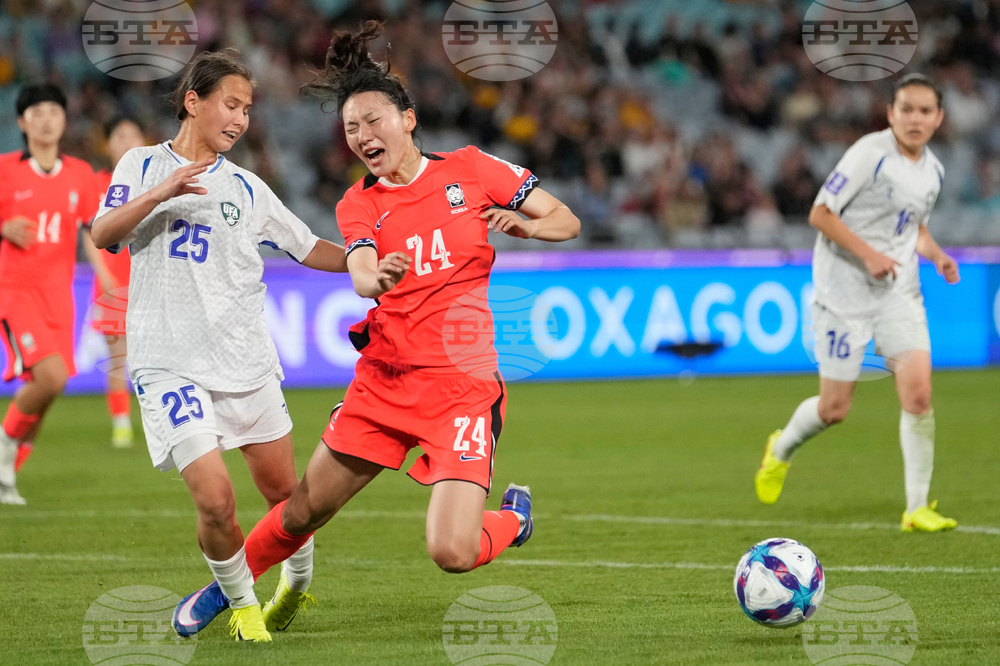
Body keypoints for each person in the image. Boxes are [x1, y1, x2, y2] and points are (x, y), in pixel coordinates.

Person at [175, 20, 580, 635]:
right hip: (384, 384)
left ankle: (513, 522)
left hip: (461, 388)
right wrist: (376, 275)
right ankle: (224, 591)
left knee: (452, 552)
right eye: (351, 129)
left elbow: (565, 220)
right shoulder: (359, 201)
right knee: (302, 510)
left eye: (373, 121)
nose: (363, 136)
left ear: (408, 119)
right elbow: (361, 271)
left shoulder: (472, 171)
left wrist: (524, 224)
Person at [90, 49, 349, 642]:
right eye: (230, 105)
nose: (240, 119)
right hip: (167, 364)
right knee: (215, 499)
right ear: (192, 101)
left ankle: (297, 585)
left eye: (247, 109)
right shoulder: (140, 163)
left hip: (244, 360)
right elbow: (104, 235)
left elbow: (309, 247)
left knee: (289, 496)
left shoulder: (247, 188)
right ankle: (243, 607)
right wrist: (162, 192)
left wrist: (368, 264)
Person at [755, 74, 959, 533]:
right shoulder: (870, 154)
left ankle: (916, 508)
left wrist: (938, 255)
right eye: (906, 109)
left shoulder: (934, 171)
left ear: (939, 118)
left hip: (898, 291)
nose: (915, 118)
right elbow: (819, 213)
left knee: (919, 395)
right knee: (834, 410)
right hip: (842, 294)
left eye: (925, 111)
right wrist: (867, 254)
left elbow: (914, 229)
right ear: (891, 113)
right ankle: (780, 449)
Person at [0, 83, 109, 504]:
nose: (46, 119)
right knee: (51, 377)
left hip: (58, 298)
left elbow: (94, 229)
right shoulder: (6, 169)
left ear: (65, 120)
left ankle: (8, 474)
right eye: (37, 112)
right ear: (21, 122)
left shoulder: (80, 174)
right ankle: (4, 455)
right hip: (14, 291)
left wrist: (106, 270)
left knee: (47, 393)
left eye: (53, 111)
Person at [90, 117, 146, 449]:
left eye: (132, 135)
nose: (126, 141)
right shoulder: (98, 183)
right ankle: (121, 422)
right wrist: (102, 273)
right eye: (119, 136)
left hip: (148, 280)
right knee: (117, 357)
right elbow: (88, 232)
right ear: (108, 144)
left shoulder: (154, 181)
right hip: (113, 280)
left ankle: (159, 417)